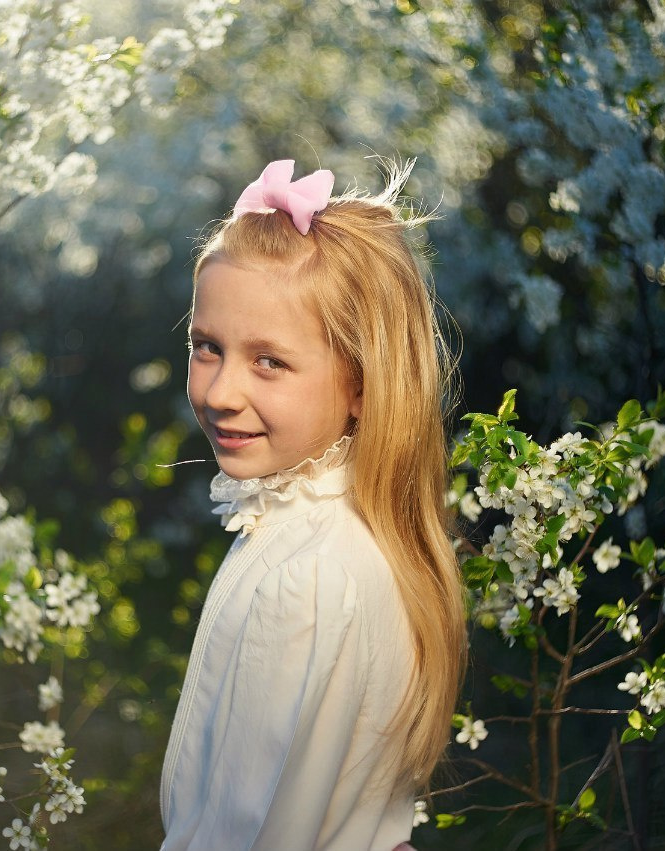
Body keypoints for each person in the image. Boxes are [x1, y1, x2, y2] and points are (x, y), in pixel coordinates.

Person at [159, 159, 467, 851]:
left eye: (269, 361)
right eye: (206, 347)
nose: (219, 392)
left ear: (361, 383)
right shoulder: (328, 534)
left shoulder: (308, 577)